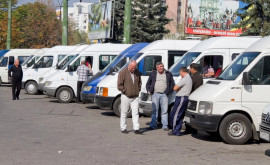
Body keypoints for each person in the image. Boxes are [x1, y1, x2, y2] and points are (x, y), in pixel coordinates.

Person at [146, 62, 175, 131]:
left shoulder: (168, 74)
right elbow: (148, 83)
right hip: (155, 94)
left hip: (164, 94)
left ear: (163, 66)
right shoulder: (153, 74)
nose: (159, 68)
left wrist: (168, 92)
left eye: (161, 66)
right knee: (154, 111)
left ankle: (165, 126)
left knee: (164, 111)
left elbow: (172, 83)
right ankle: (153, 125)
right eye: (158, 67)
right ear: (156, 68)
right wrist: (149, 90)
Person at [117, 60, 143, 134]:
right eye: (132, 68)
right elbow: (119, 85)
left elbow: (140, 82)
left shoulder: (137, 72)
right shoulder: (122, 72)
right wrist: (125, 91)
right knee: (124, 112)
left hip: (135, 96)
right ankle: (123, 128)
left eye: (134, 67)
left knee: (135, 113)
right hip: (126, 96)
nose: (133, 69)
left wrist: (138, 90)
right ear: (129, 66)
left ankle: (136, 128)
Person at [168, 67, 192, 136]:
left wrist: (178, 88)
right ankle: (177, 130)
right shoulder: (188, 78)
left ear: (182, 72)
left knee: (175, 115)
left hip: (182, 97)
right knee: (179, 115)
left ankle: (174, 130)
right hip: (183, 97)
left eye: (180, 73)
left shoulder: (185, 79)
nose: (180, 74)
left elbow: (175, 87)